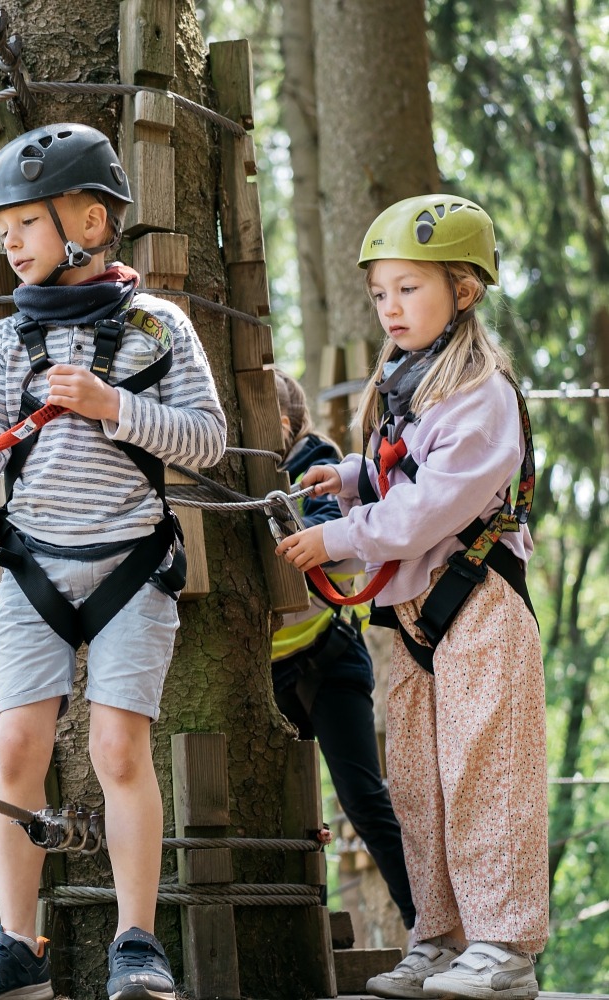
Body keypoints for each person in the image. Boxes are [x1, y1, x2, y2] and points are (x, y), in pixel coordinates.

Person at [0, 123, 226, 1000]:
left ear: (89, 223)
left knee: (118, 748)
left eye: (23, 224)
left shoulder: (158, 327)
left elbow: (209, 443)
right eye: (3, 228)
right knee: (16, 746)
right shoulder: (7, 340)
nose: (8, 243)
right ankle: (16, 939)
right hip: (34, 570)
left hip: (131, 562)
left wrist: (111, 406)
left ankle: (138, 941)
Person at [276, 194, 546, 1000]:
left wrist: (340, 536)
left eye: (411, 289)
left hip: (478, 604)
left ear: (463, 291)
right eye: (381, 292)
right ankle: (443, 935)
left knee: (484, 771)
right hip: (414, 617)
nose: (392, 308)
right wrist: (355, 477)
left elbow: (439, 502)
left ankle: (503, 947)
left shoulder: (481, 391)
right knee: (421, 783)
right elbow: (413, 469)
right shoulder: (408, 381)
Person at [269, 368, 416, 938]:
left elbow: (328, 543)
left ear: (281, 424)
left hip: (328, 663)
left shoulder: (315, 466)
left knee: (363, 801)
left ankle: (426, 926)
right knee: (284, 810)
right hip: (273, 678)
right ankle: (296, 923)